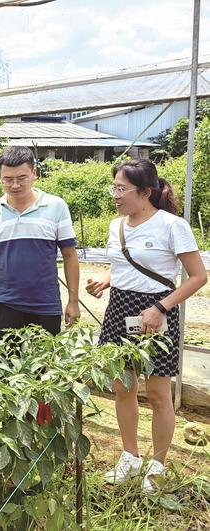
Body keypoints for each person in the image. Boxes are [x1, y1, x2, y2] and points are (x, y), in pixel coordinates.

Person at [86, 159, 207, 492]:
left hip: (156, 313)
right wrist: (106, 279)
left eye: (122, 188)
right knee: (123, 387)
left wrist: (160, 307)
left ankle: (158, 464)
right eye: (114, 187)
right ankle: (130, 455)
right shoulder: (116, 226)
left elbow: (198, 277)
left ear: (146, 192)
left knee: (157, 393)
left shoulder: (172, 225)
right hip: (119, 308)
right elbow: (124, 265)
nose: (115, 194)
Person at [0, 146, 80, 342]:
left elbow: (70, 255)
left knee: (45, 369)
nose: (15, 185)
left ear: (34, 174)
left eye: (22, 178)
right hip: (6, 303)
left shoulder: (56, 206)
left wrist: (73, 301)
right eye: (8, 179)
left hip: (46, 303)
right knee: (7, 367)